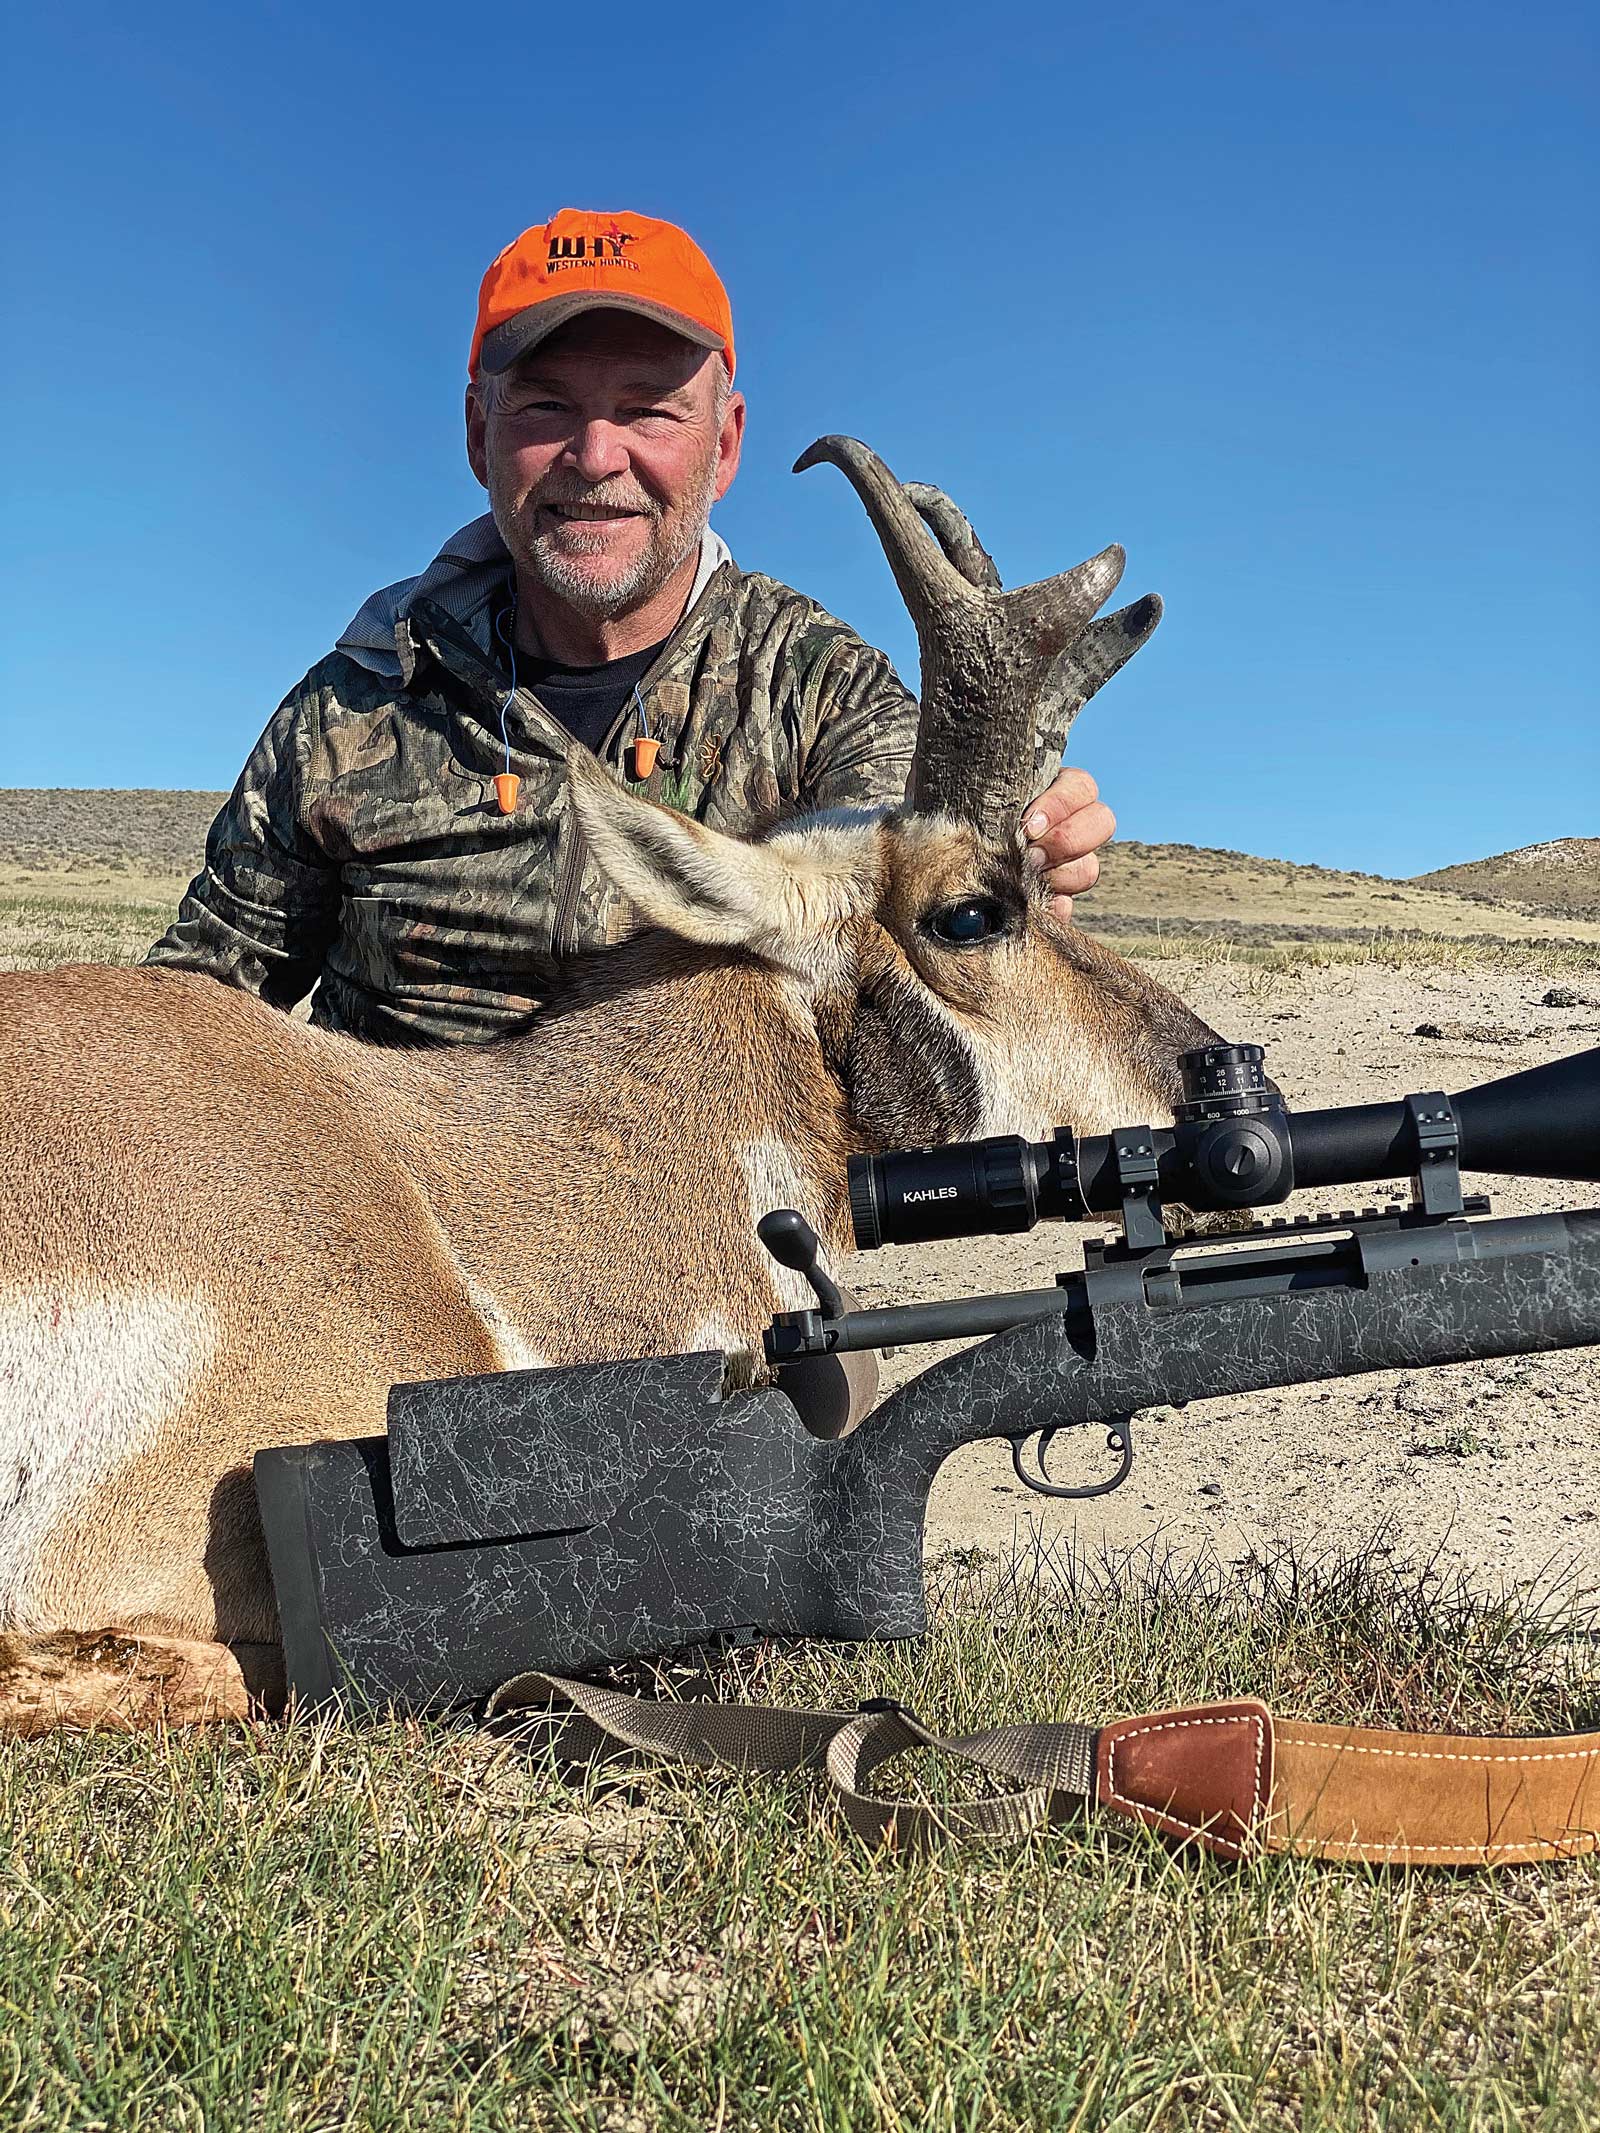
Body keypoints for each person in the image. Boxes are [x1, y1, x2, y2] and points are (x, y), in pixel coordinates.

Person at [147, 210, 1117, 1046]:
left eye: (649, 412)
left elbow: (921, 875)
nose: (596, 455)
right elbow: (194, 1015)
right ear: (477, 433)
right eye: (545, 407)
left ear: (725, 442)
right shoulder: (357, 702)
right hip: (382, 1238)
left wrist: (1016, 850)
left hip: (716, 1235)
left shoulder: (820, 693)